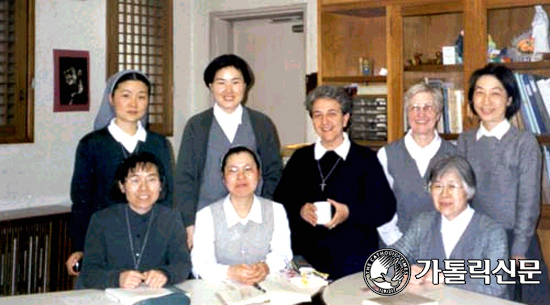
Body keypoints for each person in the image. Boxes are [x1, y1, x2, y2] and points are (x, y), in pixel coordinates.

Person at [273, 85, 396, 280]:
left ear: (345, 118)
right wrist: (300, 209)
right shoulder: (300, 159)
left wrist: (349, 212)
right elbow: (279, 203)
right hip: (306, 266)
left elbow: (385, 209)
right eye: (317, 114)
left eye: (332, 113)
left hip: (355, 263)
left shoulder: (365, 159)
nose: (325, 121)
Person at [457, 63, 550, 303]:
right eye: (479, 92)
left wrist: (518, 251)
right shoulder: (466, 140)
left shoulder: (524, 142)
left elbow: (529, 203)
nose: (486, 101)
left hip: (515, 241)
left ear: (509, 99)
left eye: (495, 93)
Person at [66, 70, 174, 276]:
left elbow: (167, 197)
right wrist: (79, 246)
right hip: (106, 240)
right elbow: (81, 200)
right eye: (126, 95)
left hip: (151, 240)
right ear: (111, 99)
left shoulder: (158, 144)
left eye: (141, 96)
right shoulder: (92, 144)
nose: (134, 103)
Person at [175, 54, 283, 249]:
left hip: (253, 218)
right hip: (206, 219)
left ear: (246, 85)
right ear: (210, 86)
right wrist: (188, 223)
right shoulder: (197, 126)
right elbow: (185, 177)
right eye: (220, 83)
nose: (228, 90)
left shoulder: (261, 124)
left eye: (235, 82)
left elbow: (274, 172)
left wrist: (267, 211)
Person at [391, 156, 508, 298]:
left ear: (468, 191)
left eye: (452, 186)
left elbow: (495, 285)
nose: (444, 194)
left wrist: (447, 277)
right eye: (438, 186)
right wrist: (404, 271)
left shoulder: (492, 232)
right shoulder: (422, 224)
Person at [77, 152, 190, 289]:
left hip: (153, 296)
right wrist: (117, 279)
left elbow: (183, 264)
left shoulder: (171, 218)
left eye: (151, 180)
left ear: (161, 185)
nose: (144, 188)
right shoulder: (101, 220)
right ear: (122, 186)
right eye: (135, 180)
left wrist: (165, 274)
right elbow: (89, 272)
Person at [191, 146, 292, 284]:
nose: (241, 177)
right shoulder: (206, 216)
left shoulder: (276, 210)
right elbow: (199, 265)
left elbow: (283, 253)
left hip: (268, 289)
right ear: (223, 178)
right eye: (233, 171)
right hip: (220, 292)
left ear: (258, 173)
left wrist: (266, 267)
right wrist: (229, 272)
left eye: (248, 169)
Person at [377, 82, 456, 246]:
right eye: (414, 108)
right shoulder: (386, 155)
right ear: (407, 113)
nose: (421, 114)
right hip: (394, 249)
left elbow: (459, 209)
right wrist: (402, 246)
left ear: (438, 114)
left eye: (428, 107)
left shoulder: (455, 155)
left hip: (442, 249)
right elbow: (379, 208)